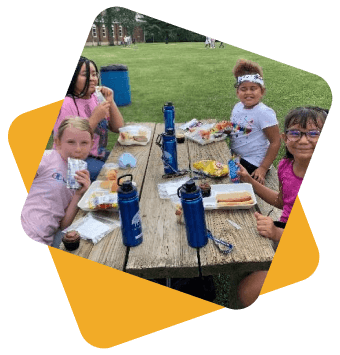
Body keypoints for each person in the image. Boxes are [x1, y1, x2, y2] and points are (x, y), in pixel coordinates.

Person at [237, 106, 328, 307]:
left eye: (314, 133)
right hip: (285, 231)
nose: (304, 140)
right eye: (296, 133)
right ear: (285, 138)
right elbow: (281, 201)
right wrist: (248, 181)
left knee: (247, 291)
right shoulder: (285, 167)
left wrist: (277, 233)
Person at [21, 117, 93, 247]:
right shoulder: (47, 158)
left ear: (92, 144)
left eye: (84, 143)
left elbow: (64, 225)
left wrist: (79, 194)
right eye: (71, 142)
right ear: (58, 142)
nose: (78, 149)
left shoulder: (80, 174)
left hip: (46, 238)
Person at [53, 56, 124, 181]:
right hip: (73, 162)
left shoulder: (96, 98)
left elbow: (118, 127)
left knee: (127, 164)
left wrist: (110, 101)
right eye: (86, 75)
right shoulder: (66, 104)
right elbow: (69, 143)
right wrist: (95, 118)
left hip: (97, 155)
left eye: (94, 74)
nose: (92, 79)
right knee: (113, 177)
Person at [230, 59, 281, 185]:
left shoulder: (264, 112)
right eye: (243, 89)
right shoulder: (237, 107)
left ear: (262, 91)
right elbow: (240, 128)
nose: (248, 92)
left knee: (229, 181)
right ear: (238, 92)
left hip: (255, 162)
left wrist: (263, 168)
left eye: (253, 88)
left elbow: (276, 141)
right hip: (237, 157)